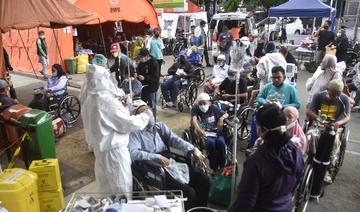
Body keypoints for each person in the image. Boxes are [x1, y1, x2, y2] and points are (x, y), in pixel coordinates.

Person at [80, 54, 151, 196]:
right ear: (102, 80)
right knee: (122, 191)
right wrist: (145, 116)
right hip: (115, 154)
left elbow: (107, 119)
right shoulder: (105, 101)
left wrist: (120, 104)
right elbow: (127, 123)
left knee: (106, 192)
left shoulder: (89, 99)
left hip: (100, 152)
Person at [129, 102, 209, 210]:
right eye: (142, 111)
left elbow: (175, 140)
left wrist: (193, 149)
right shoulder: (136, 133)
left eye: (148, 108)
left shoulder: (160, 127)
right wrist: (156, 157)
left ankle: (199, 210)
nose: (147, 111)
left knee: (204, 179)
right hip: (155, 168)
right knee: (189, 192)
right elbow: (133, 153)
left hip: (171, 162)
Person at [232, 104, 304, 212]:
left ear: (261, 129)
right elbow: (297, 180)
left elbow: (246, 202)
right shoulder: (295, 150)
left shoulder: (256, 161)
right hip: (285, 207)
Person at [306, 79, 350, 184]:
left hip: (334, 127)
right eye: (333, 94)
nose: (335, 96)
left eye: (338, 94)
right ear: (328, 89)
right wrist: (319, 119)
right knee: (311, 136)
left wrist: (339, 123)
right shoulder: (318, 96)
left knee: (334, 142)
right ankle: (313, 160)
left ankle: (327, 168)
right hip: (319, 124)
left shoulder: (344, 99)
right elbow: (309, 111)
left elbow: (347, 116)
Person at [191, 93, 229, 172]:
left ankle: (222, 166)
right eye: (200, 103)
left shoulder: (213, 108)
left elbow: (226, 114)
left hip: (216, 132)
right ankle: (214, 168)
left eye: (204, 103)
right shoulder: (195, 108)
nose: (202, 105)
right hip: (205, 134)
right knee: (211, 145)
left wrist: (221, 119)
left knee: (221, 143)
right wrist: (198, 129)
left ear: (209, 102)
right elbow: (194, 120)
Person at [136, 48, 160, 118]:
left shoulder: (154, 63)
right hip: (143, 87)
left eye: (141, 57)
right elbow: (139, 70)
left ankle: (153, 121)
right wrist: (137, 71)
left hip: (152, 87)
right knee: (142, 105)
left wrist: (145, 78)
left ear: (147, 56)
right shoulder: (142, 62)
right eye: (140, 57)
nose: (141, 59)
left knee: (152, 105)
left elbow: (155, 78)